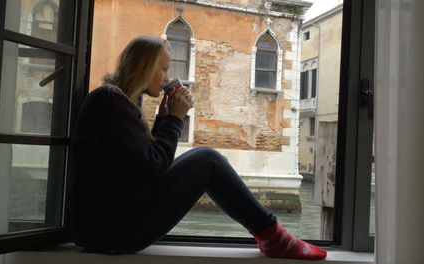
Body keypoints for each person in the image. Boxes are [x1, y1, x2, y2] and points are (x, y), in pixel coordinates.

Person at [67, 35, 327, 260]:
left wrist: (163, 118)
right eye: (163, 69)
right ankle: (275, 238)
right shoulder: (111, 100)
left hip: (108, 227)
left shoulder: (115, 100)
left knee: (207, 158)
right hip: (113, 233)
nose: (167, 78)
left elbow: (147, 164)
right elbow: (154, 167)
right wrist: (174, 119)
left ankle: (272, 236)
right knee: (208, 160)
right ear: (145, 68)